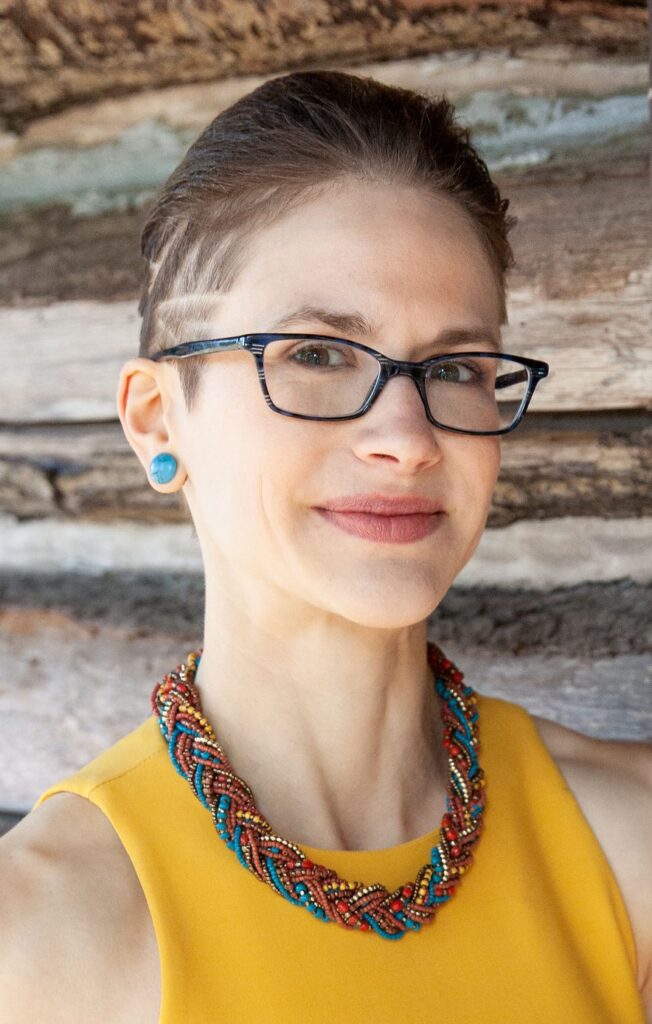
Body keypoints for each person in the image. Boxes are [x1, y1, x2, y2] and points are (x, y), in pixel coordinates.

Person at [1, 69, 650, 1023]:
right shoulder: (35, 938)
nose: (409, 436)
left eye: (457, 367)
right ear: (157, 421)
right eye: (315, 353)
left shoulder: (630, 842)